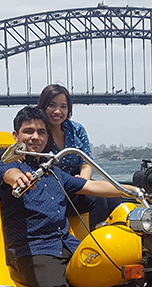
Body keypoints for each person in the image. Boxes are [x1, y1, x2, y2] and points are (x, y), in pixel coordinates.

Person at [0, 106, 136, 287]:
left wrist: (132, 190)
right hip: (31, 248)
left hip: (65, 242)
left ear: (48, 138)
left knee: (112, 269)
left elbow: (91, 186)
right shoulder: (9, 166)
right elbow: (7, 173)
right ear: (16, 135)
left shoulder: (54, 172)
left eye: (41, 132)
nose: (35, 137)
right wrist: (16, 178)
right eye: (29, 131)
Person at [37, 84, 121, 228]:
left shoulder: (76, 129)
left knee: (114, 197)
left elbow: (86, 162)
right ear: (43, 106)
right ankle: (95, 241)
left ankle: (115, 238)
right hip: (54, 187)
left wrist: (84, 181)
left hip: (78, 182)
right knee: (98, 199)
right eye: (52, 105)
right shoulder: (38, 132)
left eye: (63, 106)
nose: (57, 111)